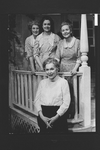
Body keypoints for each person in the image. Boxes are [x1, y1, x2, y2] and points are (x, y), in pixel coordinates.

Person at [34, 58, 71, 134]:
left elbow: (66, 103)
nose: (49, 72)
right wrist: (42, 117)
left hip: (58, 116)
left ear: (57, 69)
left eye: (52, 69)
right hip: (43, 115)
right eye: (47, 69)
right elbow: (36, 101)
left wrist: (55, 118)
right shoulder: (42, 83)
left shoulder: (63, 82)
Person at [55, 20, 81, 118]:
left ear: (70, 31)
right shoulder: (60, 43)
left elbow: (79, 58)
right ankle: (63, 113)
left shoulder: (77, 42)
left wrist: (75, 69)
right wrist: (55, 68)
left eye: (67, 30)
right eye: (63, 30)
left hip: (72, 70)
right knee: (62, 92)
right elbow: (57, 58)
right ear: (61, 32)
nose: (65, 32)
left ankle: (73, 113)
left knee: (72, 92)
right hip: (62, 70)